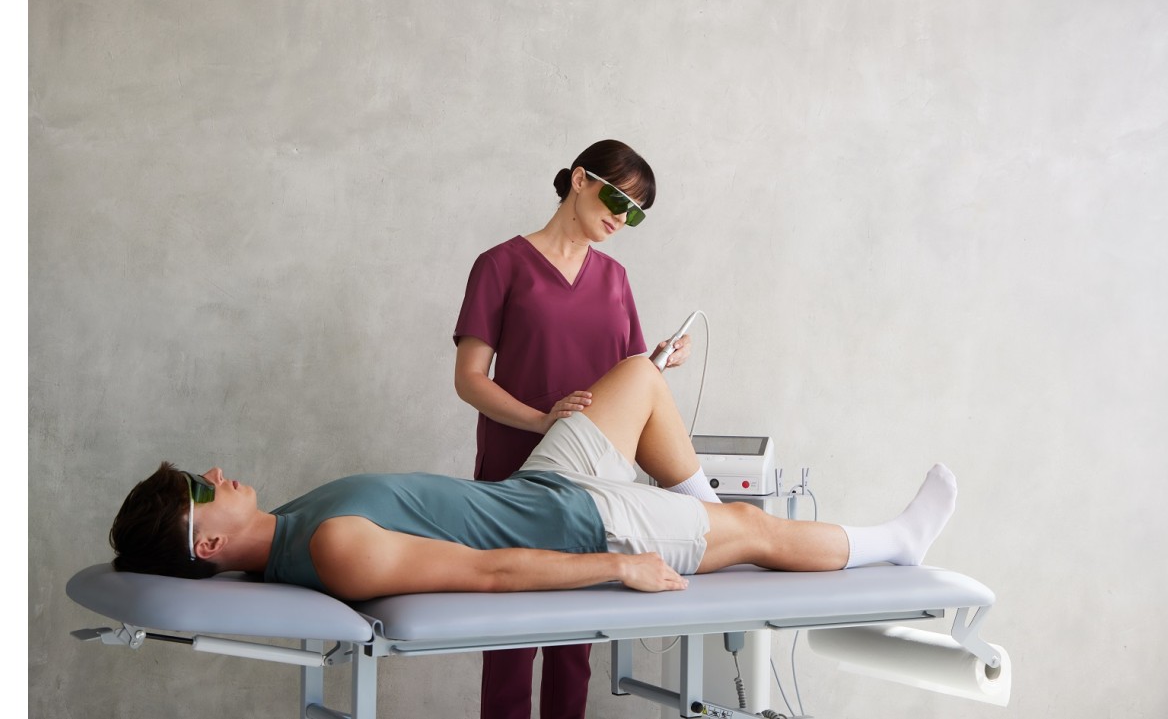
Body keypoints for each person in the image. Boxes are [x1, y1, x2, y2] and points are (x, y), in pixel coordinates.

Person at [110, 357, 959, 607]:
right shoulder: (331, 547)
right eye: (200, 487)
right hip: (583, 525)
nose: (215, 473)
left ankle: (701, 518)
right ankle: (896, 543)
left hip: (542, 484)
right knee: (758, 528)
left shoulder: (291, 520)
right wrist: (618, 564)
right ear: (208, 542)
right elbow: (491, 571)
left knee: (638, 375)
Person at [452, 139, 717, 718]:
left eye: (636, 214)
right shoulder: (501, 265)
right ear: (579, 180)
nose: (622, 219)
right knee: (512, 637)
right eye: (619, 200)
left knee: (577, 641)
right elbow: (469, 379)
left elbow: (631, 378)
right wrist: (541, 419)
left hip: (596, 476)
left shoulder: (615, 278)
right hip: (518, 468)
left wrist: (660, 361)